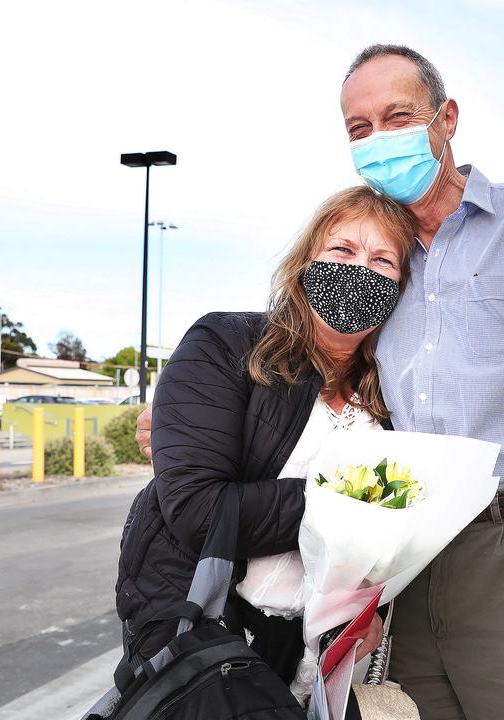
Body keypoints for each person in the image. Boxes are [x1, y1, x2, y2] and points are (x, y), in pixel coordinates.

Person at [137, 44, 504, 720]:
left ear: (447, 117)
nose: (379, 139)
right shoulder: (387, 269)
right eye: (359, 128)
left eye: (398, 116)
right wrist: (181, 420)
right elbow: (316, 369)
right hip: (407, 568)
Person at [114, 185, 415, 700]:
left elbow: (401, 533)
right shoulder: (227, 345)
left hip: (323, 655)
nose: (360, 270)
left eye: (382, 260)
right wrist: (350, 499)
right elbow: (197, 510)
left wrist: (375, 614)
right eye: (342, 250)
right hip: (211, 635)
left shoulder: (394, 395)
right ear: (305, 262)